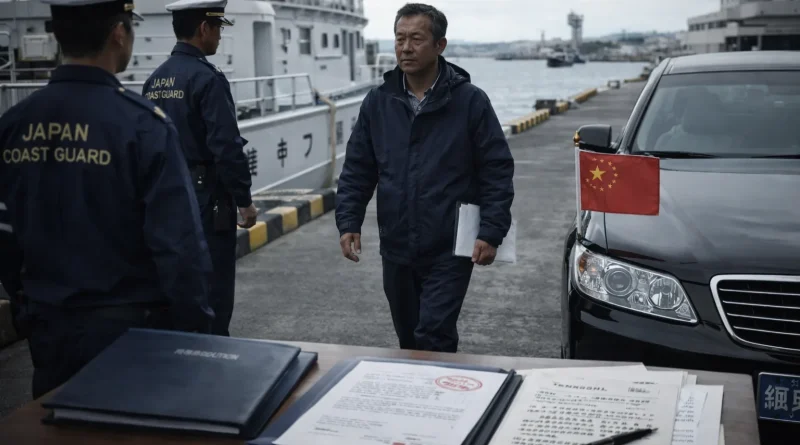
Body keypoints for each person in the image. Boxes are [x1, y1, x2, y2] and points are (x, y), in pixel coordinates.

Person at [0, 0, 215, 399]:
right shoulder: (141, 125)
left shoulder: (13, 125)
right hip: (132, 335)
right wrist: (196, 329)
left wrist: (31, 304)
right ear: (119, 32)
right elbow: (179, 247)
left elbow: (5, 237)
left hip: (49, 330)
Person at [335, 3, 515, 353]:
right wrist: (348, 221)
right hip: (397, 245)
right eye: (400, 38)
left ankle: (444, 402)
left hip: (450, 246)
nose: (405, 47)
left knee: (434, 335)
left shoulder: (469, 102)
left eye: (416, 38)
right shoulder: (378, 102)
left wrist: (492, 231)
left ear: (439, 45)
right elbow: (358, 168)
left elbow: (496, 169)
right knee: (408, 337)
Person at [142, 0, 257, 337]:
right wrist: (244, 200)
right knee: (214, 290)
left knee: (175, 288)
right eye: (218, 28)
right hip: (208, 201)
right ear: (204, 29)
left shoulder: (154, 80)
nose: (220, 36)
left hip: (163, 198)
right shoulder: (208, 79)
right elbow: (226, 147)